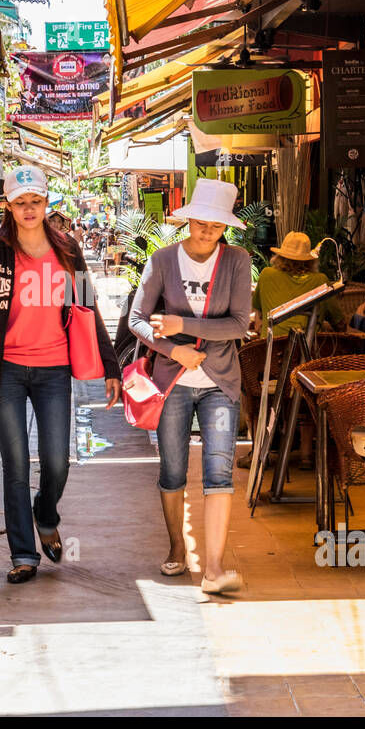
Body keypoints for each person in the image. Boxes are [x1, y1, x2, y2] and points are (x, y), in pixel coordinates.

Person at [0, 167, 122, 584]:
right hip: (5, 371)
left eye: (36, 201)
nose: (28, 209)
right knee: (15, 464)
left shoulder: (66, 249)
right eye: (20, 202)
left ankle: (45, 515)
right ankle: (24, 554)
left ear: (46, 204)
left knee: (56, 462)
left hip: (53, 370)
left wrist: (110, 365)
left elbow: (87, 308)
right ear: (8, 206)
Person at [129, 179, 252, 594]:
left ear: (225, 230)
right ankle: (178, 547)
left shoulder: (236, 261)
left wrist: (183, 325)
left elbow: (238, 325)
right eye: (201, 223)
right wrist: (173, 349)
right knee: (173, 469)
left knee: (219, 473)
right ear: (189, 220)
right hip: (172, 381)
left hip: (220, 380)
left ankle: (213, 567)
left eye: (216, 228)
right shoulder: (163, 261)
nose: (207, 233)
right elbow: (136, 320)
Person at [252, 232, 345, 338]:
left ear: (280, 256)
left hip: (268, 348)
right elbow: (339, 323)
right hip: (305, 350)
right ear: (310, 260)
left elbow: (259, 314)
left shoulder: (266, 274)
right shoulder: (320, 281)